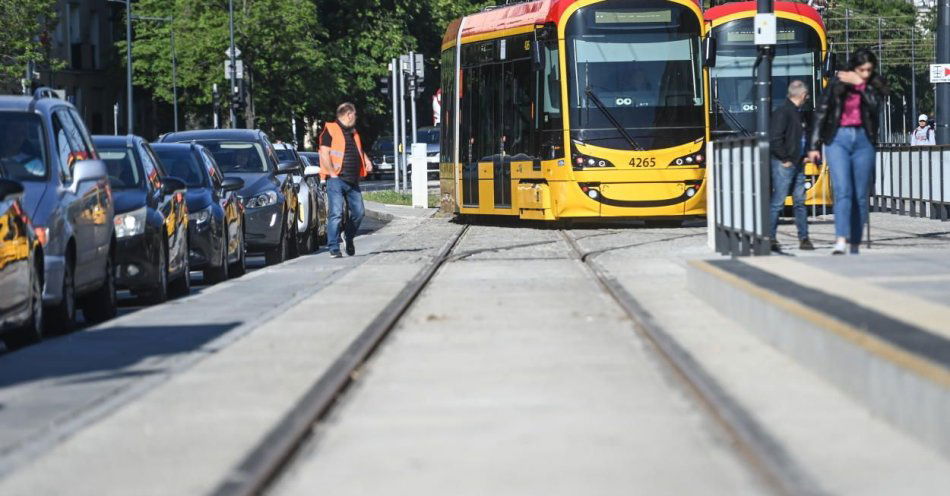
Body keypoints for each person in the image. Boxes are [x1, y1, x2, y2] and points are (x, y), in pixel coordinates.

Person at [807, 48, 889, 255]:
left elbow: (874, 107)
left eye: (869, 70)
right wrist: (814, 146)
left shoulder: (874, 85)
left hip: (863, 140)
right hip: (838, 139)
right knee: (843, 191)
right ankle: (841, 240)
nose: (865, 74)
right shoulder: (837, 82)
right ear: (853, 67)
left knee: (860, 195)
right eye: (861, 70)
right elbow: (821, 112)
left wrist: (860, 85)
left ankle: (855, 242)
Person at [319, 102, 374, 258]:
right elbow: (324, 153)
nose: (355, 117)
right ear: (349, 114)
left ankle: (348, 236)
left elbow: (358, 149)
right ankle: (334, 247)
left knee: (359, 212)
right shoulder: (329, 130)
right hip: (336, 179)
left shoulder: (353, 132)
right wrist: (332, 174)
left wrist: (367, 160)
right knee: (335, 213)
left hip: (352, 180)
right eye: (354, 114)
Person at [769, 80, 813, 251]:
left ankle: (804, 238)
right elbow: (775, 138)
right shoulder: (784, 112)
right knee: (779, 202)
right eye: (806, 96)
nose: (807, 99)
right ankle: (770, 237)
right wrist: (785, 158)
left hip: (797, 161)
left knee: (799, 201)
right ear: (802, 95)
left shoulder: (796, 112)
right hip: (785, 163)